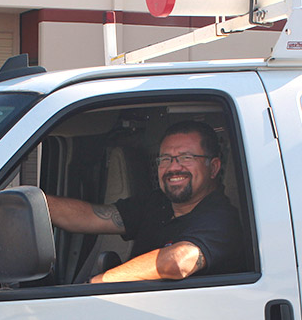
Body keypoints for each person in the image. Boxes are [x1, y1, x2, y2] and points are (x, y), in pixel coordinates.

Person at [45, 120, 244, 283]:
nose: (174, 167)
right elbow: (92, 217)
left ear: (214, 167)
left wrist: (99, 283)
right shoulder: (158, 203)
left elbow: (178, 261)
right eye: (165, 159)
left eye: (186, 157)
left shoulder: (222, 218)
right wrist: (35, 204)